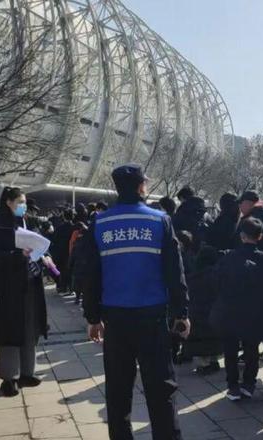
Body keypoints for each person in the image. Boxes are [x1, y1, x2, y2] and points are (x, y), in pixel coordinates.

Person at [80, 163, 189, 440]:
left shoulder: (100, 223)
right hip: (152, 317)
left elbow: (90, 274)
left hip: (115, 318)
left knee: (118, 391)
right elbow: (174, 271)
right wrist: (181, 312)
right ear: (142, 186)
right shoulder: (160, 220)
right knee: (161, 390)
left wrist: (92, 317)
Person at [0, 187, 48, 397]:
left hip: (30, 282)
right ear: (8, 202)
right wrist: (17, 255)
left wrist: (43, 255)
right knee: (10, 329)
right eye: (20, 202)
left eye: (24, 202)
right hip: (9, 286)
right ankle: (8, 377)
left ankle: (27, 372)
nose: (23, 206)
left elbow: (38, 243)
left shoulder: (27, 221)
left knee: (30, 327)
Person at [210, 217, 263, 401]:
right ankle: (249, 384)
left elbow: (216, 282)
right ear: (260, 236)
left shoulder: (228, 257)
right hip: (255, 313)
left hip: (229, 311)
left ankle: (233, 386)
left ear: (242, 236)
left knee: (230, 350)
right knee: (252, 349)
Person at [181, 246, 223, 375]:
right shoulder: (218, 275)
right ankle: (214, 360)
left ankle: (205, 364)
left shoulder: (192, 278)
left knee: (201, 340)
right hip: (216, 317)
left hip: (197, 318)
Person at [172, 186, 211, 250]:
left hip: (186, 246)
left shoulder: (182, 210)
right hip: (202, 247)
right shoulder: (205, 212)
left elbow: (174, 227)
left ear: (182, 198)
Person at [51, 209, 75, 294]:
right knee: (71, 270)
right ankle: (71, 288)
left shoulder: (60, 228)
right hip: (72, 251)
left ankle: (63, 287)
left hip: (61, 252)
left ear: (64, 217)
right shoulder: (75, 227)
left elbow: (54, 239)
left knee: (62, 270)